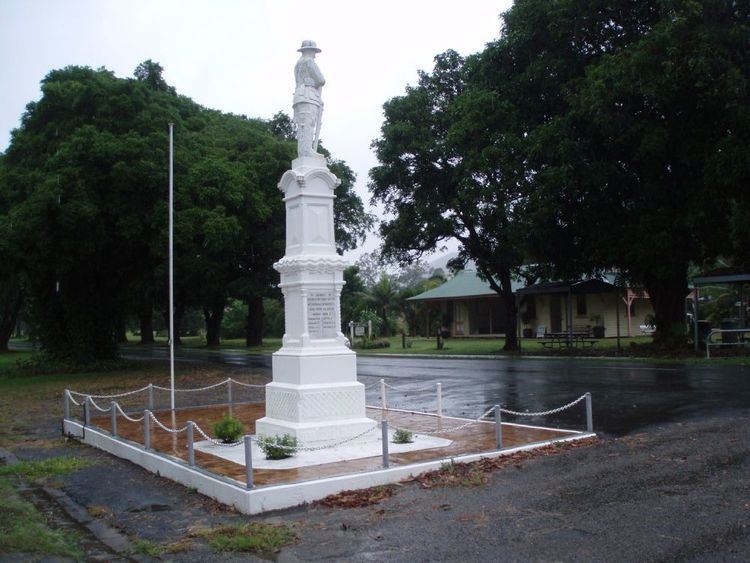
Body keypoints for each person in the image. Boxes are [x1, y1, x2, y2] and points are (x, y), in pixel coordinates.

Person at [293, 40, 325, 158]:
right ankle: (307, 151)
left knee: (302, 125)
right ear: (309, 50)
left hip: (299, 95)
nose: (315, 54)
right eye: (314, 51)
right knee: (308, 123)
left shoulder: (297, 64)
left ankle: (303, 151)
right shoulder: (309, 61)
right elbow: (321, 80)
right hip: (309, 95)